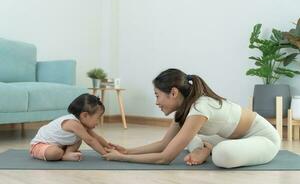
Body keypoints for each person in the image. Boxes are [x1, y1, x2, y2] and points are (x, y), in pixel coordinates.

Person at [103, 68, 281, 168]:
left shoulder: (199, 108)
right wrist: (127, 150)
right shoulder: (185, 109)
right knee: (187, 138)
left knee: (222, 155)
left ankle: (209, 148)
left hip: (263, 138)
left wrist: (122, 158)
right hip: (229, 136)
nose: (156, 102)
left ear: (173, 92)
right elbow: (164, 144)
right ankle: (206, 146)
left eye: (157, 95)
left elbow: (165, 157)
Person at [30, 93, 113, 161]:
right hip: (40, 145)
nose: (98, 122)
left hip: (59, 145)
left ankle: (66, 153)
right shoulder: (73, 123)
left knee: (78, 139)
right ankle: (63, 156)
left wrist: (110, 149)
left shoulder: (83, 125)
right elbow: (90, 141)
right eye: (98, 118)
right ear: (85, 115)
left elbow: (97, 137)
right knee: (55, 153)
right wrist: (105, 154)